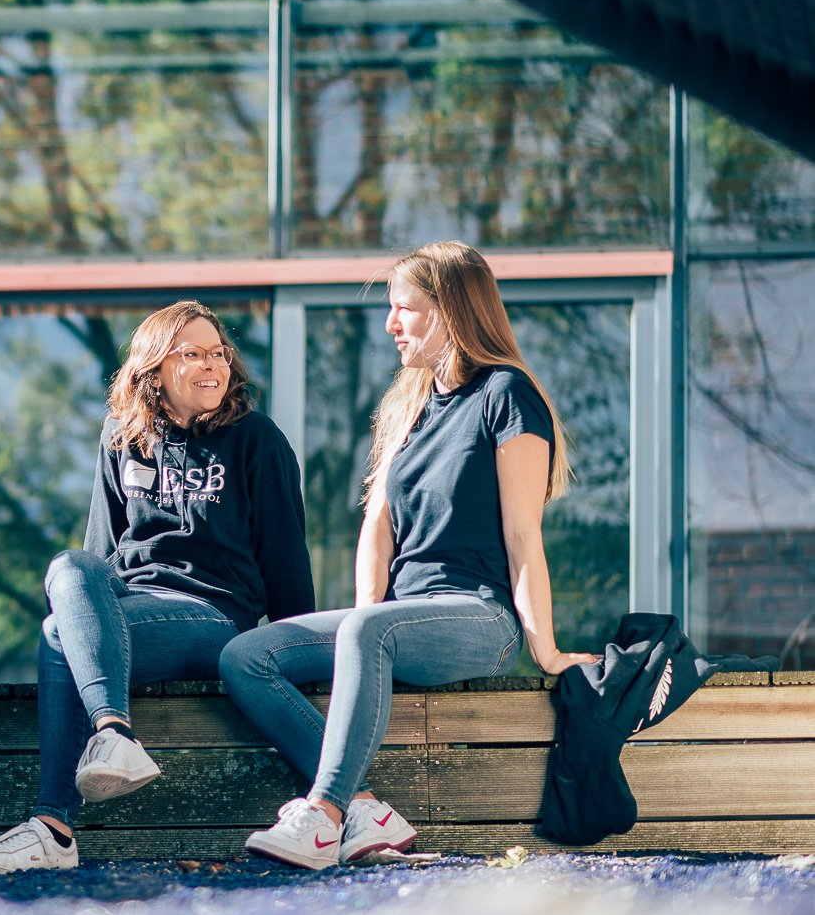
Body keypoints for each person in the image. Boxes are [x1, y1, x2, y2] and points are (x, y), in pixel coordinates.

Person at [220, 241, 599, 869]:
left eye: (407, 309)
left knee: (366, 627)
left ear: (451, 309)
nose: (391, 324)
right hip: (403, 617)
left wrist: (546, 649)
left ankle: (323, 815)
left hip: (479, 616)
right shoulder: (409, 403)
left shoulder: (508, 395)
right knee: (246, 655)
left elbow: (523, 534)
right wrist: (360, 631)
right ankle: (364, 808)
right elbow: (377, 525)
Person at [0, 300, 316, 874]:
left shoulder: (257, 439)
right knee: (68, 578)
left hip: (212, 615)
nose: (212, 366)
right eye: (192, 354)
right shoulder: (122, 437)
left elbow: (286, 557)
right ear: (153, 369)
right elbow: (100, 551)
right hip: (133, 606)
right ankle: (110, 736)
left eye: (218, 353)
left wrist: (303, 656)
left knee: (57, 635)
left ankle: (55, 823)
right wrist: (89, 618)